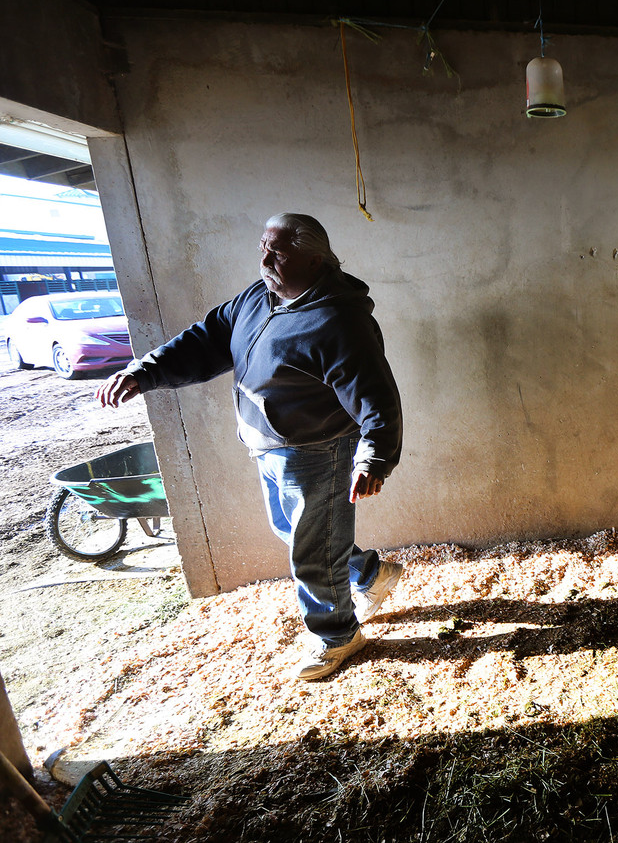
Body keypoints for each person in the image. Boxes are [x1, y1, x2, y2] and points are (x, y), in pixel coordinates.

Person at [97, 213, 404, 680]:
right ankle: (370, 574)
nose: (264, 259)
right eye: (263, 246)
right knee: (297, 534)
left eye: (277, 252)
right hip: (270, 445)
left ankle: (337, 634)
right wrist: (146, 371)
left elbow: (376, 395)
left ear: (314, 258)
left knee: (309, 549)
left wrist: (374, 456)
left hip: (319, 450)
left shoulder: (339, 320)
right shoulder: (257, 299)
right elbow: (206, 338)